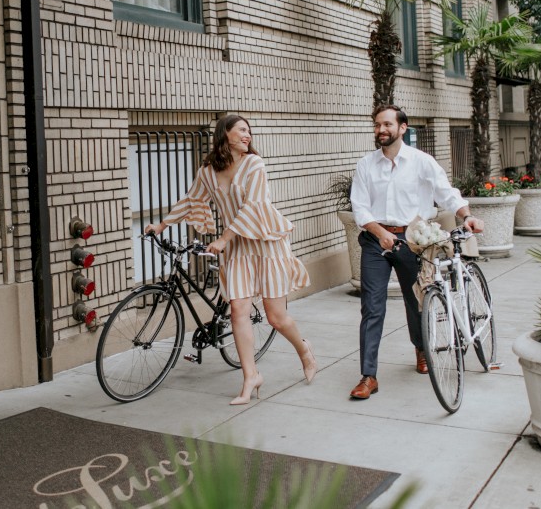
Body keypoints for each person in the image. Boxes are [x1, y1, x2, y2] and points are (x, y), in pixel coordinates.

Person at [145, 115, 316, 405]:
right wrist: (162, 225)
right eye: (242, 131)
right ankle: (251, 376)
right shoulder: (208, 171)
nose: (248, 136)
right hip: (237, 248)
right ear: (225, 134)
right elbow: (191, 199)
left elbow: (253, 207)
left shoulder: (254, 165)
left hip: (265, 242)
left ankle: (304, 350)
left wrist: (223, 239)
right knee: (238, 310)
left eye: (249, 132)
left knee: (276, 317)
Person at [349, 105, 484, 400]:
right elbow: (359, 205)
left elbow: (445, 192)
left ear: (403, 128)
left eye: (386, 124)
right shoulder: (366, 165)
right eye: (377, 125)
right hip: (376, 240)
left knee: (417, 301)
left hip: (413, 242)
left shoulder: (421, 161)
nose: (380, 130)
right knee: (372, 307)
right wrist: (380, 232)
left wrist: (466, 215)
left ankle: (421, 349)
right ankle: (368, 375)